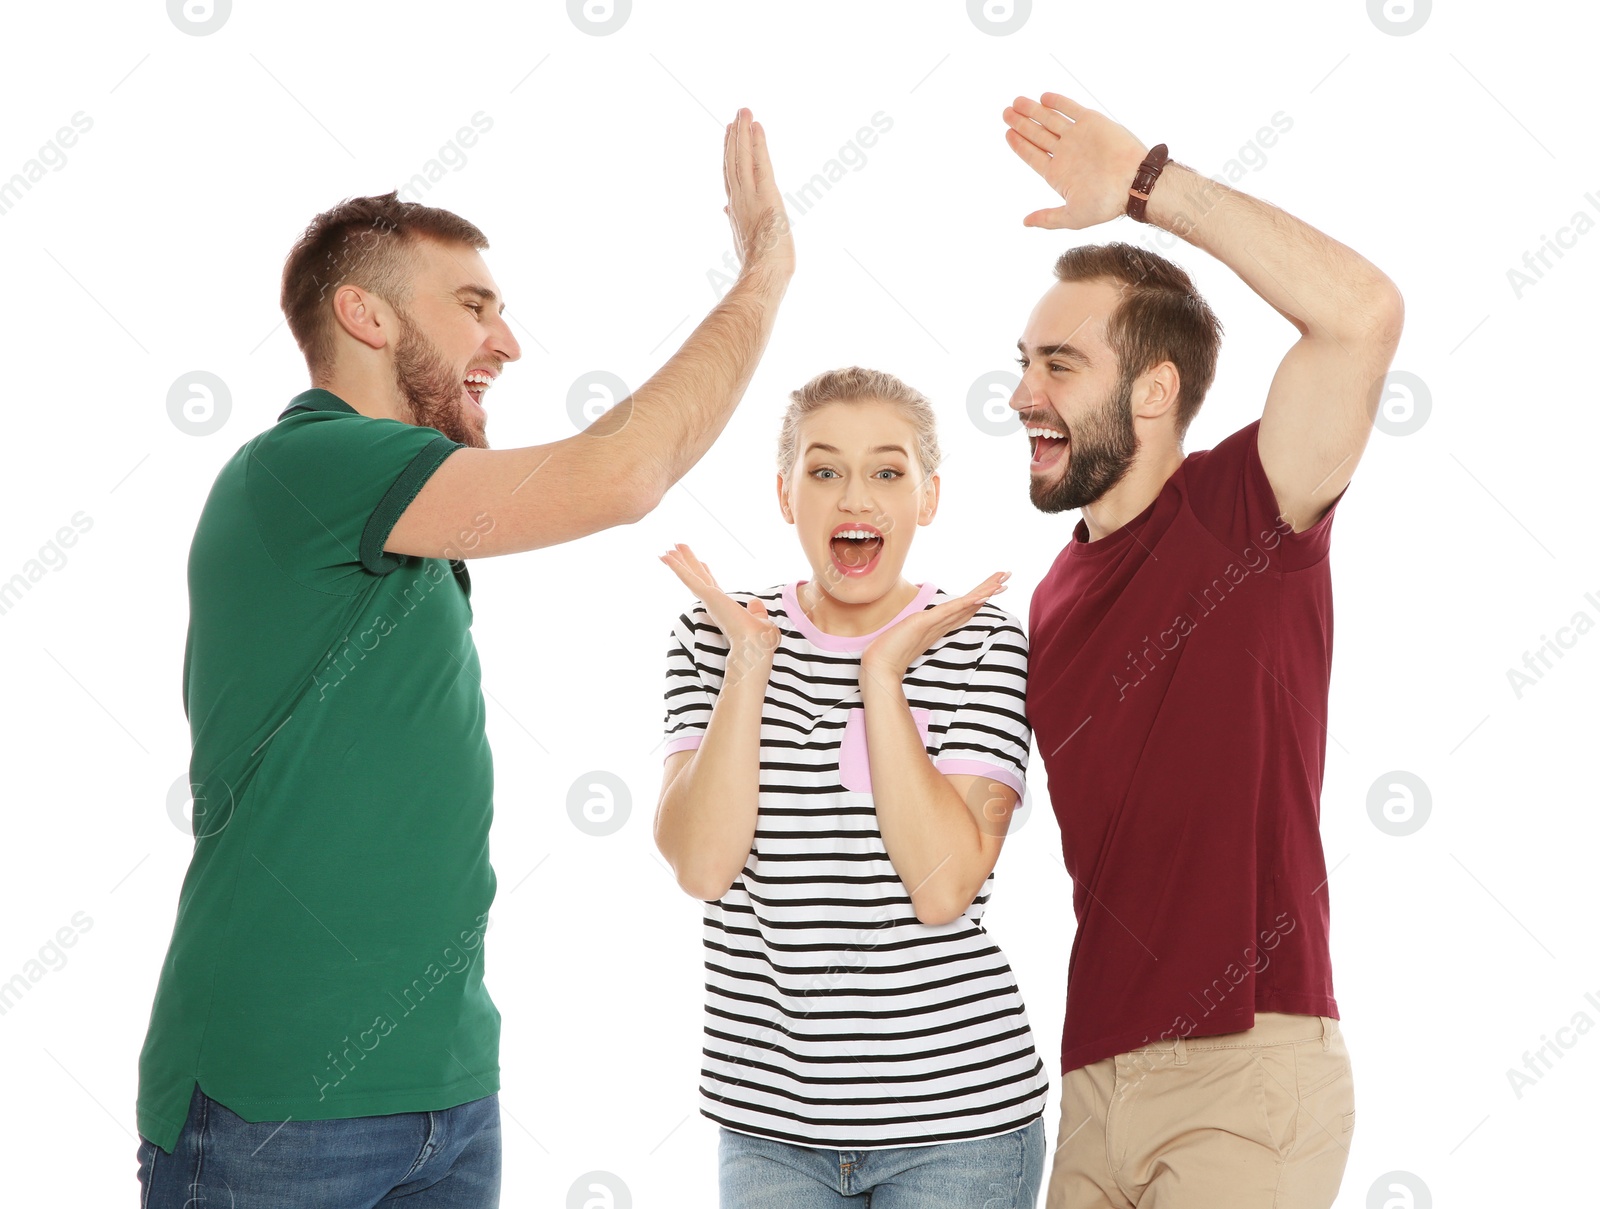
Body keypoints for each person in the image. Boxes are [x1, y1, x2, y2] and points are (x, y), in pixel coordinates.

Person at [134, 109, 794, 1207]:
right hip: (277, 1105)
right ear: (366, 315)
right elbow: (624, 474)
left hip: (445, 1096)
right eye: (475, 306)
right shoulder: (312, 467)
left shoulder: (403, 518)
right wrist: (767, 267)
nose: (508, 341)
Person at [998, 93, 1405, 1208]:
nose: (1023, 393)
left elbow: (1362, 314)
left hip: (1246, 1067)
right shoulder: (1048, 598)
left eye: (1060, 365)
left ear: (1154, 388)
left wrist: (1147, 187)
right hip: (1091, 1083)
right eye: (1024, 361)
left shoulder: (1246, 510)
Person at [654, 366, 1050, 1208]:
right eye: (825, 470)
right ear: (785, 494)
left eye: (888, 470)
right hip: (768, 1126)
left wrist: (882, 675)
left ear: (928, 496)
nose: (855, 498)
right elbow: (703, 865)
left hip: (960, 1123)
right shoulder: (716, 632)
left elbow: (944, 886)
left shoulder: (981, 642)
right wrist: (751, 664)